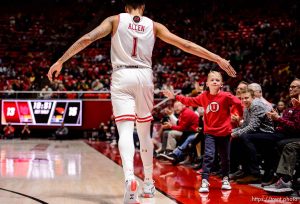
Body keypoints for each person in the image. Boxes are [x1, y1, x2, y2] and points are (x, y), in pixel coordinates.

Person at [47, 0, 236, 202]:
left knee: (125, 131)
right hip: (144, 76)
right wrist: (217, 58)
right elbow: (186, 45)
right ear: (143, 6)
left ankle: (129, 179)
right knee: (144, 133)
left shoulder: (114, 20)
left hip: (122, 75)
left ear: (125, 6)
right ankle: (148, 182)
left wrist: (61, 60)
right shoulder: (154, 25)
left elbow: (87, 38)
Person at [163, 71, 243, 193]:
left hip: (224, 132)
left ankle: (225, 179)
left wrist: (240, 116)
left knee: (225, 157)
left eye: (217, 80)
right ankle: (205, 180)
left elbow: (239, 103)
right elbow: (189, 101)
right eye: (212, 80)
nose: (215, 81)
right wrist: (175, 97)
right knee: (209, 156)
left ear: (221, 84)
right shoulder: (203, 96)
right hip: (210, 132)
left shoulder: (226, 96)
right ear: (207, 83)